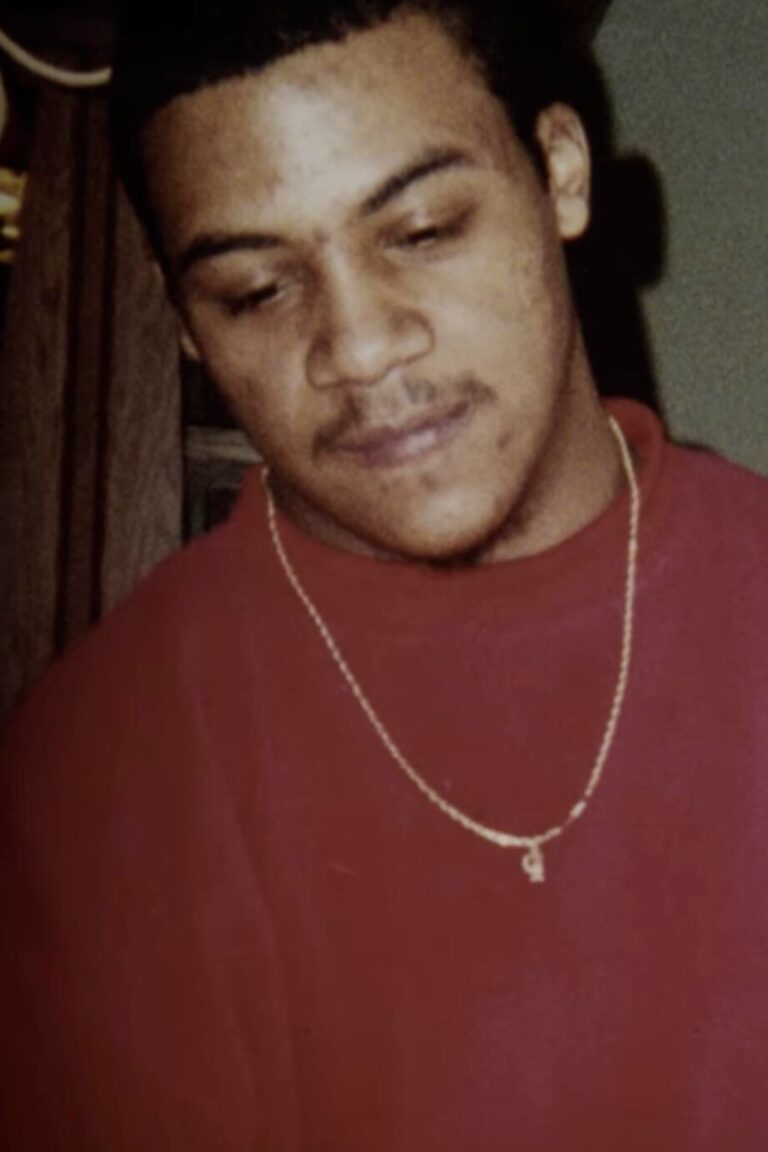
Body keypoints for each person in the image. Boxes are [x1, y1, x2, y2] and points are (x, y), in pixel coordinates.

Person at [1, 2, 767, 1148]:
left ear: (559, 172)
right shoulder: (97, 770)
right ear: (189, 325)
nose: (358, 348)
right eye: (258, 291)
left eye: (420, 230)